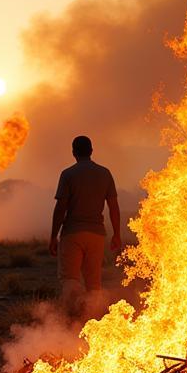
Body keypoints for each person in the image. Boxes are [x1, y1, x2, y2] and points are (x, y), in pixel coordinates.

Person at [49, 135, 122, 316]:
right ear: (91, 151)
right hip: (97, 235)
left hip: (72, 234)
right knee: (93, 283)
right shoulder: (105, 173)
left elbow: (61, 208)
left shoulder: (68, 174)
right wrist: (117, 234)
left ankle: (71, 319)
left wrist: (53, 236)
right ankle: (93, 319)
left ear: (73, 152)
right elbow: (113, 207)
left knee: (70, 279)